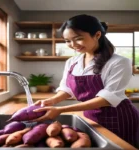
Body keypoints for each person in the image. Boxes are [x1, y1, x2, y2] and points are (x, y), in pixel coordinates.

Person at [32, 14, 139, 147]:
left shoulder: (119, 62)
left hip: (118, 118)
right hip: (90, 116)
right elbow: (67, 88)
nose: (72, 45)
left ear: (97, 35)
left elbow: (107, 98)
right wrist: (52, 100)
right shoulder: (72, 62)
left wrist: (61, 109)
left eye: (78, 39)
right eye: (67, 41)